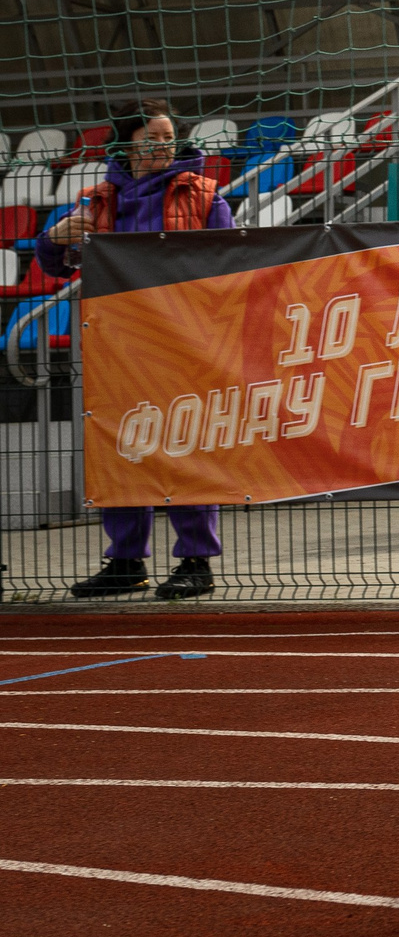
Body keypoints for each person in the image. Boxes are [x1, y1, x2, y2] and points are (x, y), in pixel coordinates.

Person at [49, 102, 234, 601]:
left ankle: (197, 562)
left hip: (185, 346)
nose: (163, 148)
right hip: (118, 349)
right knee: (121, 451)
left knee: (184, 449)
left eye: (169, 138)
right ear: (126, 147)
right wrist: (53, 239)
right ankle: (126, 562)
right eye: (151, 140)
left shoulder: (205, 197)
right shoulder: (96, 201)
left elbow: (234, 263)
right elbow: (54, 262)